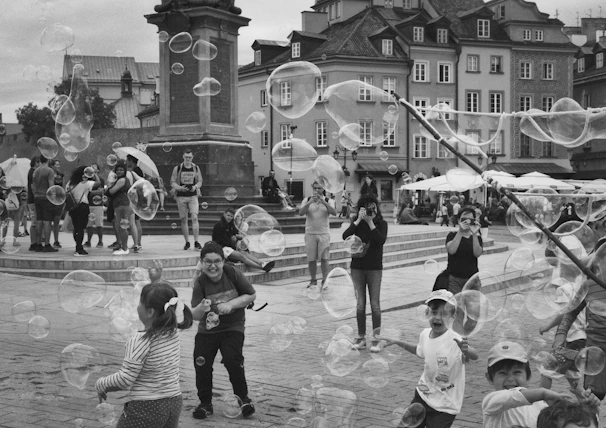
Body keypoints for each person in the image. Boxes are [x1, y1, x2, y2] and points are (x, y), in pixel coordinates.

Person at [96, 281, 193, 428]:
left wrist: (102, 384)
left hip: (147, 407)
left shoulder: (139, 341)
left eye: (140, 302)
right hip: (174, 402)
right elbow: (164, 305)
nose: (137, 306)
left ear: (150, 312)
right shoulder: (173, 332)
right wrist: (156, 281)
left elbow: (125, 379)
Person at [380, 290, 478, 428]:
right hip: (423, 394)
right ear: (427, 313)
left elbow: (474, 356)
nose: (437, 317)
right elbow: (419, 350)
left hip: (445, 404)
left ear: (453, 316)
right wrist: (397, 342)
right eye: (434, 312)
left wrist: (466, 350)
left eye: (443, 313)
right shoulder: (425, 334)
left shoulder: (456, 340)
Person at [190, 242, 257, 420]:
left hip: (233, 326)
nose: (213, 266)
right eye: (208, 261)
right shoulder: (200, 282)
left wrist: (231, 304)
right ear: (201, 262)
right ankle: (205, 403)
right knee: (201, 362)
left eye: (217, 261)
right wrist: (201, 309)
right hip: (208, 330)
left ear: (223, 261)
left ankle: (243, 399)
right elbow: (195, 316)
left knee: (232, 358)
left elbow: (251, 294)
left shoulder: (231, 272)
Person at [482, 341, 584, 428]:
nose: (510, 379)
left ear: (528, 375)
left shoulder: (540, 405)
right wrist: (542, 393)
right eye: (502, 373)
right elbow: (512, 396)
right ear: (489, 378)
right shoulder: (491, 402)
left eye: (517, 372)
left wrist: (587, 407)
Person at [342, 195, 388, 352]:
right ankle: (361, 337)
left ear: (376, 208)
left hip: (374, 268)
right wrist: (357, 220)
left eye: (372, 207)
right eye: (366, 207)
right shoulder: (357, 224)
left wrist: (370, 223)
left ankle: (375, 338)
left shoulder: (382, 224)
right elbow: (345, 236)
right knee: (360, 304)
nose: (370, 210)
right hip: (358, 267)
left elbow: (381, 240)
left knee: (375, 304)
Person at [212, 208, 275, 273]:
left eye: (231, 216)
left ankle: (262, 263)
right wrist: (232, 239)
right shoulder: (219, 225)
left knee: (244, 253)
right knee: (241, 256)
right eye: (228, 215)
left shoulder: (230, 225)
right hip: (221, 248)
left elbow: (235, 234)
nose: (229, 218)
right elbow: (224, 241)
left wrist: (237, 238)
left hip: (229, 247)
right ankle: (262, 267)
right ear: (224, 214)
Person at [299, 182, 337, 288]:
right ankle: (313, 280)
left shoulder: (329, 200)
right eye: (314, 188)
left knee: (324, 258)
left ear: (323, 189)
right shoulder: (307, 200)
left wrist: (324, 202)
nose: (316, 190)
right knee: (311, 259)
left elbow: (334, 212)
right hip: (310, 233)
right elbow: (301, 212)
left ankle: (325, 280)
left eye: (319, 188)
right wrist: (309, 202)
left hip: (324, 233)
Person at [445, 207, 483, 294]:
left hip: (472, 278)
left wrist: (474, 234)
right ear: (459, 220)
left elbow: (477, 253)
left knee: (474, 306)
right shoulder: (452, 235)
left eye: (470, 219)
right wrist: (460, 232)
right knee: (457, 306)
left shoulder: (477, 237)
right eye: (464, 219)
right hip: (454, 278)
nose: (467, 222)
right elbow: (451, 250)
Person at [170, 149, 203, 250]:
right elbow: (172, 182)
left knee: (194, 217)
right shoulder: (178, 168)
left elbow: (200, 181)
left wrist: (195, 187)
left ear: (192, 157)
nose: (188, 159)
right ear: (183, 157)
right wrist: (180, 188)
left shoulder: (196, 168)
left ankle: (196, 241)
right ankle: (187, 241)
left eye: (189, 157)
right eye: (186, 157)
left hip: (193, 195)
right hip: (181, 196)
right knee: (184, 219)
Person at [66, 166, 99, 256]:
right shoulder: (85, 183)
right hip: (82, 207)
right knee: (81, 228)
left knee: (76, 227)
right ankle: (79, 248)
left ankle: (78, 245)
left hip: (73, 207)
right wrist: (94, 173)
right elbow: (98, 183)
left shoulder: (70, 183)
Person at [108, 160, 139, 256]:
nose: (119, 172)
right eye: (117, 170)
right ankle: (123, 246)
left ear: (124, 171)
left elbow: (112, 191)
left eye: (121, 170)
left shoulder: (122, 180)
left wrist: (107, 189)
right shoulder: (121, 179)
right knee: (120, 226)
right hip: (121, 204)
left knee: (121, 226)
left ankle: (124, 248)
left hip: (122, 204)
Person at [31, 155, 58, 253]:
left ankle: (38, 245)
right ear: (48, 159)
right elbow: (51, 186)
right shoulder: (50, 171)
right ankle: (47, 245)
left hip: (37, 197)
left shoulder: (35, 171)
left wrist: (36, 195)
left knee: (39, 220)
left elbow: (33, 186)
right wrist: (54, 197)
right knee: (47, 221)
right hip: (46, 198)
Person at [84, 163, 105, 248]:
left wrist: (91, 192)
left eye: (95, 167)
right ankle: (88, 241)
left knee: (99, 224)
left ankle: (100, 241)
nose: (92, 168)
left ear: (98, 170)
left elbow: (100, 191)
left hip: (98, 205)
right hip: (88, 204)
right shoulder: (87, 180)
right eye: (91, 167)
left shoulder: (101, 180)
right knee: (89, 224)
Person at [126, 155, 144, 253]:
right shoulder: (136, 170)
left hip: (134, 198)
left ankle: (138, 242)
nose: (126, 162)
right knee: (136, 221)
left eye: (127, 160)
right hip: (136, 198)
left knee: (136, 221)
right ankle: (137, 242)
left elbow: (140, 183)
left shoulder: (136, 171)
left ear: (131, 161)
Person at [27, 157, 40, 251]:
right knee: (34, 221)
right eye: (39, 162)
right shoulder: (33, 172)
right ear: (35, 162)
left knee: (35, 221)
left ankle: (35, 242)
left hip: (32, 199)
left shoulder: (32, 171)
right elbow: (32, 186)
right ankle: (33, 243)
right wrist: (36, 197)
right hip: (33, 200)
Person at [50, 160, 64, 248]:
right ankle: (45, 239)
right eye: (56, 164)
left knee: (56, 222)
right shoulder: (49, 174)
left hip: (58, 201)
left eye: (59, 164)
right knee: (47, 222)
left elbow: (63, 188)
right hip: (50, 200)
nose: (58, 166)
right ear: (52, 166)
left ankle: (56, 240)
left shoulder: (61, 175)